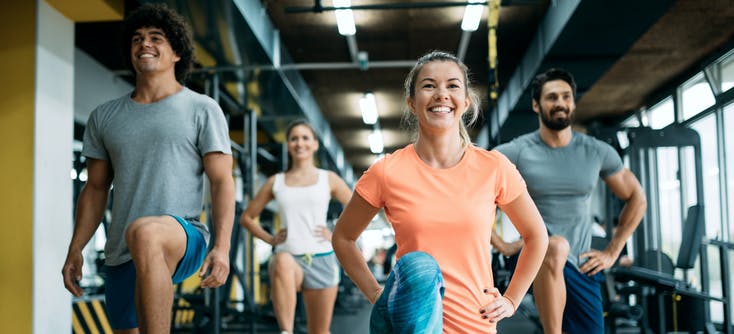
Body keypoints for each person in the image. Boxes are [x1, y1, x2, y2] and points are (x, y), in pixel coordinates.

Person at [332, 51, 549, 333]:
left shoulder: (494, 167)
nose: (441, 94)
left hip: (475, 322)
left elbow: (537, 236)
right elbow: (343, 237)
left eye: (453, 85)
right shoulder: (387, 171)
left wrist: (512, 299)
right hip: (411, 324)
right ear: (412, 103)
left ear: (466, 101)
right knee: (418, 263)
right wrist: (378, 295)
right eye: (429, 85)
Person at [61, 4, 235, 333]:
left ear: (177, 54)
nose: (145, 44)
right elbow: (96, 188)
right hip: (121, 251)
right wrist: (75, 248)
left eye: (157, 38)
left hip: (184, 236)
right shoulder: (104, 117)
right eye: (137, 39)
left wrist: (222, 248)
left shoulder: (201, 108)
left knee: (147, 232)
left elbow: (222, 182)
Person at [494, 68, 647, 334]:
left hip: (581, 262)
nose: (560, 103)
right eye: (552, 97)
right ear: (536, 104)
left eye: (566, 97)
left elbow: (636, 198)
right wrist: (502, 245)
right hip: (533, 257)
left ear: (573, 102)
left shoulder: (596, 151)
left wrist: (612, 252)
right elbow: (472, 194)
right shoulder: (516, 151)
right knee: (554, 246)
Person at [239, 120, 352, 334]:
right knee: (280, 259)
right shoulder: (276, 182)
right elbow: (246, 218)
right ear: (288, 145)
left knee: (319, 331)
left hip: (322, 259)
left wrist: (337, 234)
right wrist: (270, 239)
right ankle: (286, 331)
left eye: (305, 138)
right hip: (289, 259)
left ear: (315, 144)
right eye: (294, 138)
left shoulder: (328, 179)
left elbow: (358, 208)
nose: (300, 143)